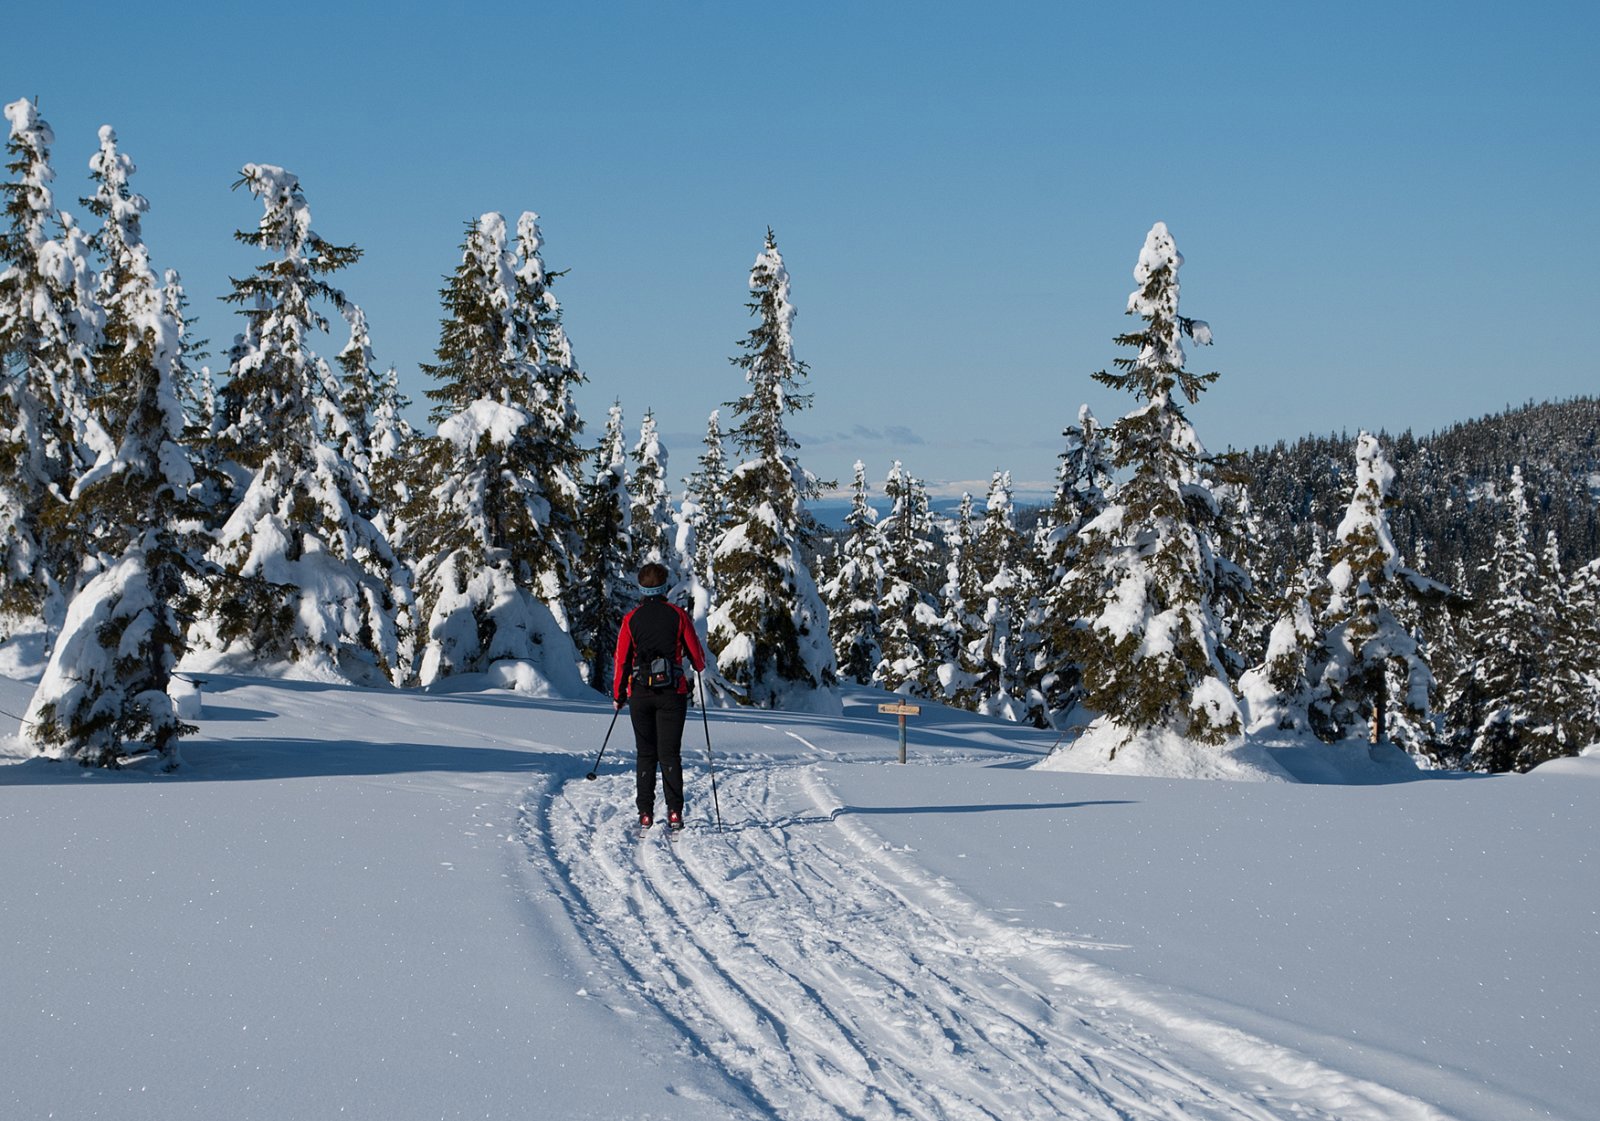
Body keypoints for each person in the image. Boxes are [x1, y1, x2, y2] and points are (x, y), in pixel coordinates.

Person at [612, 563, 707, 830]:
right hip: (671, 693)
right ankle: (675, 812)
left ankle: (645, 813)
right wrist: (694, 664)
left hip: (640, 694)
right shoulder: (677, 615)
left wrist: (619, 695)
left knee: (645, 754)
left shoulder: (631, 619)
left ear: (641, 588)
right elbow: (698, 660)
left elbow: (621, 660)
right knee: (669, 754)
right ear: (664, 587)